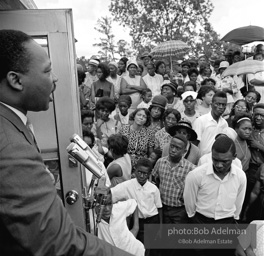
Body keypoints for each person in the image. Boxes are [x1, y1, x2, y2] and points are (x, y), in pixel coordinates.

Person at [0, 29, 130, 256]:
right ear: (16, 80)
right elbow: (59, 243)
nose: (55, 77)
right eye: (47, 70)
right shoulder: (10, 146)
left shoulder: (13, 123)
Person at [184, 136, 247, 224]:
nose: (219, 165)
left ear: (234, 157)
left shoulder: (240, 176)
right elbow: (189, 201)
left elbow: (238, 202)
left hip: (227, 222)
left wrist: (235, 218)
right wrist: (193, 218)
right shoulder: (196, 175)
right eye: (215, 159)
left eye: (224, 161)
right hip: (201, 221)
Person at [111, 158, 162, 248]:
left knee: (151, 247)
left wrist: (160, 227)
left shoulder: (153, 189)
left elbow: (159, 208)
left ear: (149, 174)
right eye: (139, 172)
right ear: (135, 170)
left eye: (145, 173)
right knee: (137, 246)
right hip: (138, 222)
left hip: (153, 221)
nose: (142, 176)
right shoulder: (127, 186)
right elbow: (111, 193)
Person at [153, 134, 196, 224]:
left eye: (177, 148)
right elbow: (155, 180)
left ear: (184, 151)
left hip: (179, 211)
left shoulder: (190, 168)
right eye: (172, 146)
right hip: (162, 208)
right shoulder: (161, 162)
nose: (173, 150)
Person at [193, 91, 229, 156]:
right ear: (211, 104)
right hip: (202, 160)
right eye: (218, 104)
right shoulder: (201, 121)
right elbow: (194, 144)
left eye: (223, 105)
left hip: (217, 160)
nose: (221, 107)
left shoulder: (224, 123)